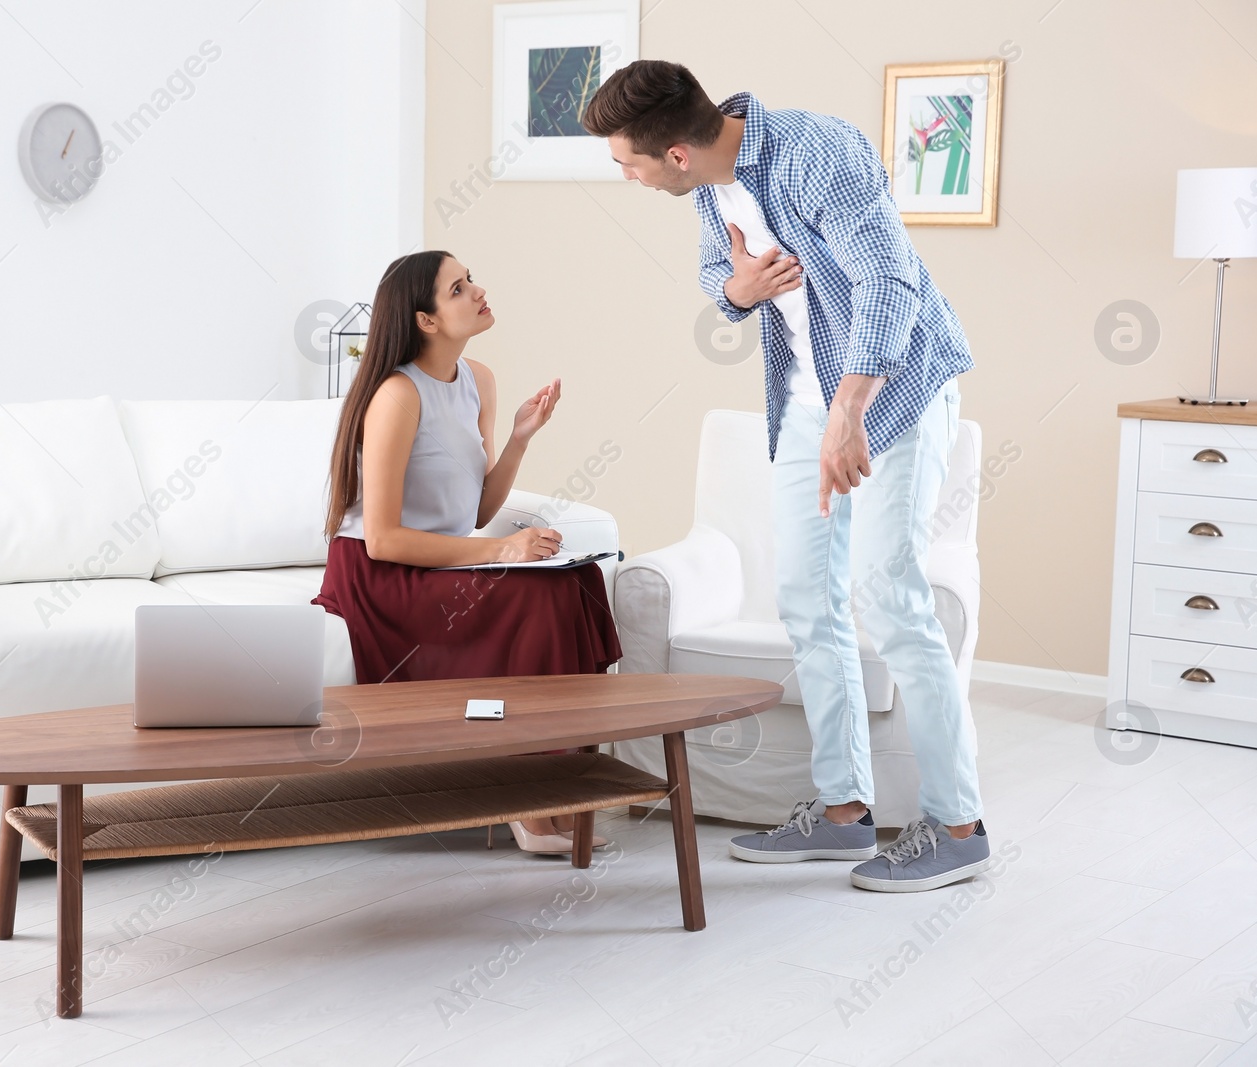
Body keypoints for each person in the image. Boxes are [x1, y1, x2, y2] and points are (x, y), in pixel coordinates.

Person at [582, 61, 990, 893]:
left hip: (897, 388)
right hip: (807, 401)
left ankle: (959, 825)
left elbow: (890, 280)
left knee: (890, 596)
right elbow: (719, 280)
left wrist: (852, 412)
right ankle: (843, 813)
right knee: (807, 596)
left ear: (676, 153)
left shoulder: (818, 153)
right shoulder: (710, 188)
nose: (622, 174)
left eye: (627, 160)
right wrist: (739, 287)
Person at [312, 249, 623, 856]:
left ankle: (558, 787)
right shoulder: (397, 397)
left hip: (435, 559)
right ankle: (524, 801)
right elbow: (382, 539)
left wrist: (519, 439)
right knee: (537, 601)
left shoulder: (478, 379)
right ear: (427, 320)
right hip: (381, 577)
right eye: (458, 289)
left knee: (575, 584)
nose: (477, 291)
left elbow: (476, 512)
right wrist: (502, 550)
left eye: (469, 279)